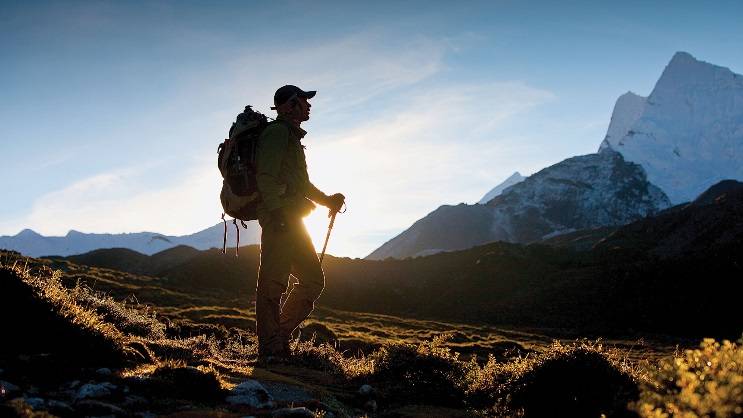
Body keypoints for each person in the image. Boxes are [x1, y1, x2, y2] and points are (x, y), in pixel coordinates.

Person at [254, 85, 345, 359]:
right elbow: (266, 177)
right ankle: (271, 348)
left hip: (291, 219)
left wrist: (328, 201)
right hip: (281, 218)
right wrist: (277, 213)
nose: (308, 105)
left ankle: (278, 339)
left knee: (312, 280)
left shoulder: (291, 137)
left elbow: (301, 184)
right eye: (303, 100)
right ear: (289, 106)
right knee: (273, 282)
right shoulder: (277, 134)